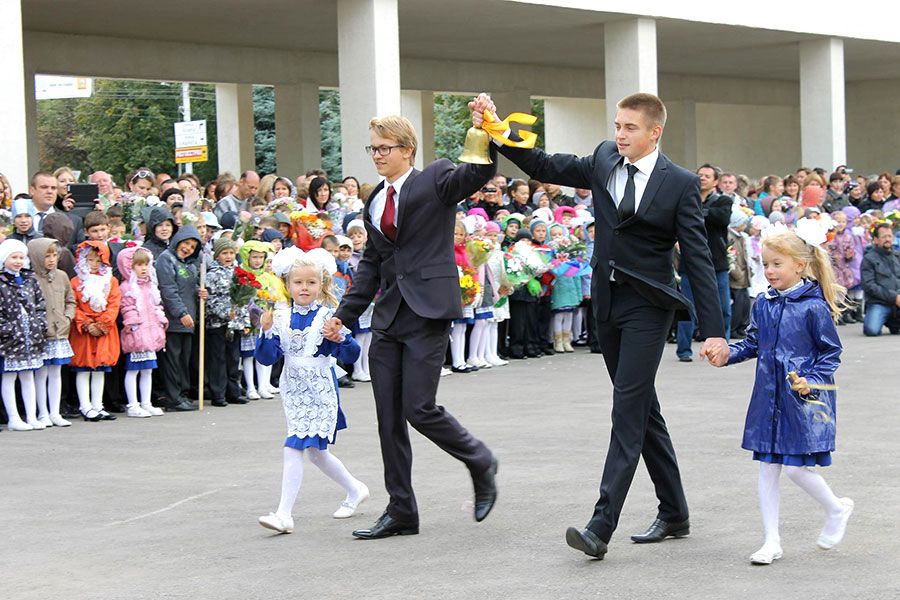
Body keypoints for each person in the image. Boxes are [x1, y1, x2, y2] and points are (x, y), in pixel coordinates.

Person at [470, 91, 726, 559]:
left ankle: (600, 526)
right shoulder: (606, 158)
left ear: (655, 132)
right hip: (606, 303)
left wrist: (714, 329)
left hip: (650, 306)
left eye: (630, 127)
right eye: (618, 125)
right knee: (643, 409)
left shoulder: (681, 184)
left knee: (627, 411)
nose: (620, 134)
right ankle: (675, 512)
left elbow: (698, 257)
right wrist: (494, 128)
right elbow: (545, 164)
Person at [323, 114, 499, 539]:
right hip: (389, 316)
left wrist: (484, 128)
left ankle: (479, 459)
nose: (378, 155)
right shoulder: (373, 200)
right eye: (373, 148)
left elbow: (480, 170)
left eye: (385, 147)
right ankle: (402, 510)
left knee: (419, 408)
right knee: (388, 417)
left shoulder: (435, 179)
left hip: (428, 311)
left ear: (407, 150)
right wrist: (343, 316)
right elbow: (371, 265)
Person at [707, 228, 853, 564]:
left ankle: (836, 508)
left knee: (796, 470)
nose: (770, 271)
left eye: (777, 264)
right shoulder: (764, 303)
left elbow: (831, 353)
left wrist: (810, 381)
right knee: (768, 467)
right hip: (767, 397)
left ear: (800, 265)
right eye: (766, 264)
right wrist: (727, 353)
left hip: (803, 400)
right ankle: (771, 541)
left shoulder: (814, 307)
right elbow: (753, 344)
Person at [255, 252, 369, 534]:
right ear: (288, 284)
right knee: (316, 453)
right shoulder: (280, 316)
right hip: (293, 388)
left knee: (294, 444)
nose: (304, 288)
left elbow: (352, 354)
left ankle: (284, 514)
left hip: (320, 387)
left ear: (321, 284)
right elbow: (268, 359)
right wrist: (266, 332)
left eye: (311, 282)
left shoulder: (329, 316)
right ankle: (355, 488)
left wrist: (340, 337)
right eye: (298, 282)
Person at [69, 241, 121, 422]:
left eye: (98, 261)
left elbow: (114, 304)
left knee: (100, 368)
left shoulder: (111, 281)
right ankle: (85, 406)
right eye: (89, 260)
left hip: (104, 330)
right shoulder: (75, 281)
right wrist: (85, 323)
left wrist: (102, 323)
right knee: (83, 368)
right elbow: (72, 304)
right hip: (83, 331)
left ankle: (98, 405)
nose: (94, 264)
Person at [156, 225, 206, 411]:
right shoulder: (166, 259)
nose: (188, 248)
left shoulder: (190, 265)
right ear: (178, 241)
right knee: (173, 360)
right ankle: (172, 397)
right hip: (174, 320)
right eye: (186, 243)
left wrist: (200, 293)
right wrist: (181, 313)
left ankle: (183, 393)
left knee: (184, 360)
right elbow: (168, 290)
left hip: (189, 321)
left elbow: (188, 289)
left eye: (193, 247)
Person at [0, 239, 48, 431]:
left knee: (29, 376)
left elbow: (40, 305)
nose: (18, 261)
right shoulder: (2, 282)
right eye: (14, 257)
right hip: (10, 339)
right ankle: (13, 417)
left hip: (31, 336)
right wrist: (6, 329)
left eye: (21, 257)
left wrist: (40, 324)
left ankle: (31, 415)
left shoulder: (30, 280)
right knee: (10, 377)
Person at [28, 239, 75, 428]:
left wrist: (68, 318)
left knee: (56, 373)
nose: (51, 260)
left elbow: (70, 300)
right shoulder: (31, 278)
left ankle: (55, 412)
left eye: (54, 255)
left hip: (60, 332)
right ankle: (42, 412)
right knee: (41, 374)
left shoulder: (62, 276)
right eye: (47, 256)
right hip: (41, 333)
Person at [117, 247, 167, 418]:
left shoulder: (150, 286)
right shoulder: (126, 287)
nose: (143, 268)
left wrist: (160, 320)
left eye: (146, 264)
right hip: (136, 334)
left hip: (151, 333)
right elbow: (127, 308)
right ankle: (133, 404)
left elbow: (155, 306)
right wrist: (133, 326)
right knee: (133, 370)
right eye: (138, 265)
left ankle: (146, 402)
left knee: (148, 370)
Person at [204, 238, 249, 407]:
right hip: (218, 323)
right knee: (218, 360)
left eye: (231, 252)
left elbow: (244, 298)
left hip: (235, 323)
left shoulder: (238, 272)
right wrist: (224, 314)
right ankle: (218, 393)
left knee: (233, 359)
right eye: (224, 253)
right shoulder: (212, 274)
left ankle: (233, 391)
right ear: (217, 256)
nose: (228, 256)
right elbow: (210, 299)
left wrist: (244, 321)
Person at [860, 223, 900, 336]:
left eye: (889, 236)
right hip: (879, 303)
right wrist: (894, 297)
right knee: (872, 330)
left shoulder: (897, 256)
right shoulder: (868, 259)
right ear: (876, 240)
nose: (888, 239)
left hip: (898, 301)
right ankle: (885, 318)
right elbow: (869, 286)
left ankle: (894, 323)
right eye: (884, 237)